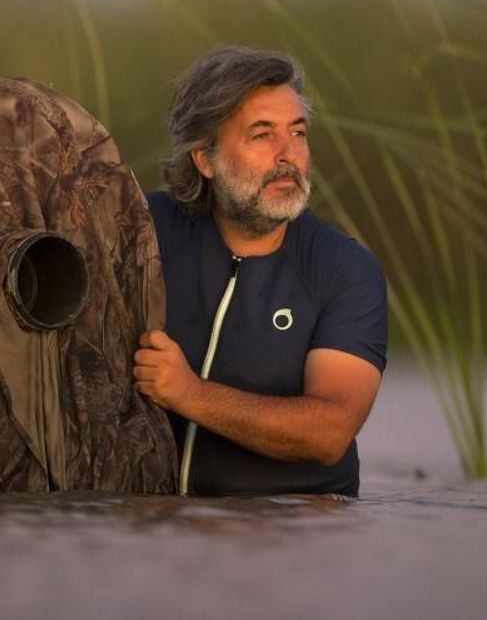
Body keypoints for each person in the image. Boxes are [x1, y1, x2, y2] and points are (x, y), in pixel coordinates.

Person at [133, 46, 388, 497]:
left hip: (298, 542)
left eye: (298, 132)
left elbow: (329, 432)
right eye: (262, 135)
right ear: (205, 159)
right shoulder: (141, 232)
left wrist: (189, 394)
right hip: (162, 537)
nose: (288, 154)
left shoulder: (345, 269)